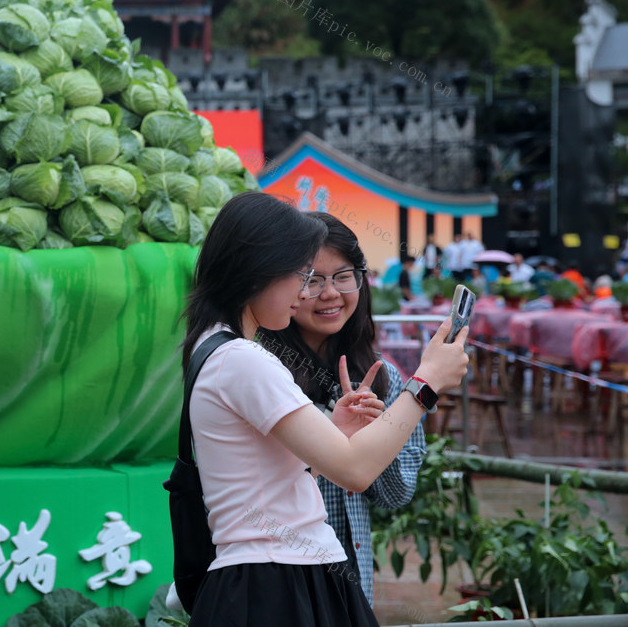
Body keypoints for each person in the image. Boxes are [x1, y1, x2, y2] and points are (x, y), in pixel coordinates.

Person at [180, 193, 469, 625]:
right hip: (281, 579)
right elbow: (353, 471)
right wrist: (426, 385)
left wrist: (334, 430)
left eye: (337, 277)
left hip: (271, 577)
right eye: (303, 275)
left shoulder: (216, 347)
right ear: (258, 271)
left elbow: (266, 481)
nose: (307, 291)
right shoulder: (244, 358)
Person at [257, 212, 426, 606]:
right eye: (311, 280)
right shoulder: (262, 371)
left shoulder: (382, 376)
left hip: (353, 584)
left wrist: (377, 433)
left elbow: (397, 495)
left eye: (343, 276)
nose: (330, 293)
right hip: (282, 580)